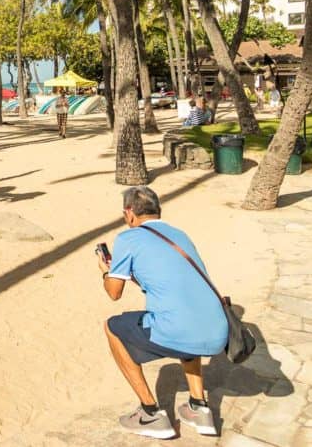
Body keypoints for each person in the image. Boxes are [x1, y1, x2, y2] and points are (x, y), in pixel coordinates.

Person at [97, 186, 227, 438]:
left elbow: (114, 293)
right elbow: (166, 279)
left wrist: (105, 270)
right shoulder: (180, 235)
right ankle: (199, 407)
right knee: (186, 315)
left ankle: (150, 413)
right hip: (216, 329)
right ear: (158, 210)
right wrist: (128, 272)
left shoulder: (128, 238)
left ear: (129, 213)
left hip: (180, 329)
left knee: (112, 327)